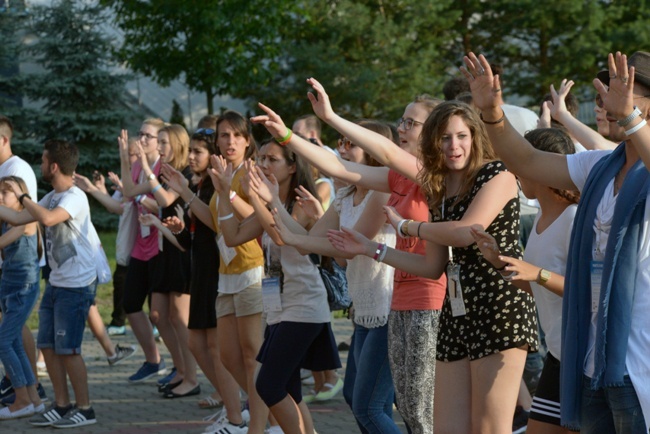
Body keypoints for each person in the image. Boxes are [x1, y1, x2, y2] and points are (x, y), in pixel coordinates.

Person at [462, 50, 650, 433]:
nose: (609, 99)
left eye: (624, 89)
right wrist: (492, 113)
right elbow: (527, 161)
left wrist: (630, 116)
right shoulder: (600, 166)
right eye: (606, 91)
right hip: (597, 361)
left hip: (642, 366)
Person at [325, 99, 539, 434]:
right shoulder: (439, 189)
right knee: (446, 427)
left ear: (475, 136)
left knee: (488, 427)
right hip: (456, 311)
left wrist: (409, 227)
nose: (454, 146)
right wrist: (372, 249)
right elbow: (431, 265)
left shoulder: (497, 175)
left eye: (461, 136)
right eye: (444, 138)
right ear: (433, 144)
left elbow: (467, 231)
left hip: (499, 306)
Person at [252, 84, 447, 433]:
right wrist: (284, 141)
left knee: (385, 408)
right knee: (370, 404)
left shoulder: (415, 176)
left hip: (412, 303)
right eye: (401, 121)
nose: (401, 128)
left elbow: (347, 243)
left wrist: (329, 117)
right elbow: (310, 238)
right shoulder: (379, 182)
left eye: (410, 123)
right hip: (373, 308)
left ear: (433, 131)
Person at [270, 122, 400, 432]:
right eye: (340, 142)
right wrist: (273, 200)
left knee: (368, 405)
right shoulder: (346, 196)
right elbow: (316, 244)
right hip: (365, 311)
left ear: (371, 150)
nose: (341, 148)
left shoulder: (383, 192)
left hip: (391, 308)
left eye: (348, 143)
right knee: (360, 399)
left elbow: (349, 246)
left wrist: (299, 236)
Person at [215, 138, 341, 434]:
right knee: (290, 390)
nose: (262, 165)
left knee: (268, 386)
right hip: (278, 308)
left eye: (272, 159)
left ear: (292, 166)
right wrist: (224, 192)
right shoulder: (270, 205)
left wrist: (260, 198)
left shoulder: (300, 202)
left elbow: (284, 236)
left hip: (304, 307)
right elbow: (232, 236)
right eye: (260, 158)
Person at [471, 127, 579, 434]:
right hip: (558, 357)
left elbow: (585, 291)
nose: (514, 172)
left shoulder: (573, 218)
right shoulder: (542, 219)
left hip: (580, 361)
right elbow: (536, 287)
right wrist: (497, 260)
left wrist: (538, 274)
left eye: (519, 162)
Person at [0, 140, 99, 427]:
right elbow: (20, 216)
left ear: (54, 166)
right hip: (57, 283)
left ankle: (85, 408)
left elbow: (47, 219)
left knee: (69, 350)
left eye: (43, 161)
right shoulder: (52, 195)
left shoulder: (73, 197)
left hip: (76, 286)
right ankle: (61, 404)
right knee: (49, 347)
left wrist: (22, 195)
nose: (40, 165)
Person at [160, 125, 243, 413]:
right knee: (197, 344)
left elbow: (217, 225)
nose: (192, 157)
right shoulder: (199, 186)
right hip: (201, 271)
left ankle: (235, 410)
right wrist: (180, 230)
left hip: (218, 272)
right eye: (191, 150)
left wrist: (185, 192)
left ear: (213, 155)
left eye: (198, 151)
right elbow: (193, 239)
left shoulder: (214, 185)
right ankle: (229, 401)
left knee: (215, 348)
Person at [118, 119, 168, 383]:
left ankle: (180, 365)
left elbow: (160, 205)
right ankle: (153, 360)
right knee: (130, 302)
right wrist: (125, 159)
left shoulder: (163, 166)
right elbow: (128, 191)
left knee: (160, 313)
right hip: (140, 245)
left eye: (149, 135)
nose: (143, 139)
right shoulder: (138, 165)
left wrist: (138, 197)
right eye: (142, 134)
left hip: (161, 244)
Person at [0, 176, 43, 420]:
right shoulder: (8, 219)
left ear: (19, 195)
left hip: (22, 287)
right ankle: (33, 399)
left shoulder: (25, 219)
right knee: (13, 341)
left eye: (5, 193)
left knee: (3, 342)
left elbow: (3, 243)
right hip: (8, 284)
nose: (0, 197)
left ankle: (22, 400)